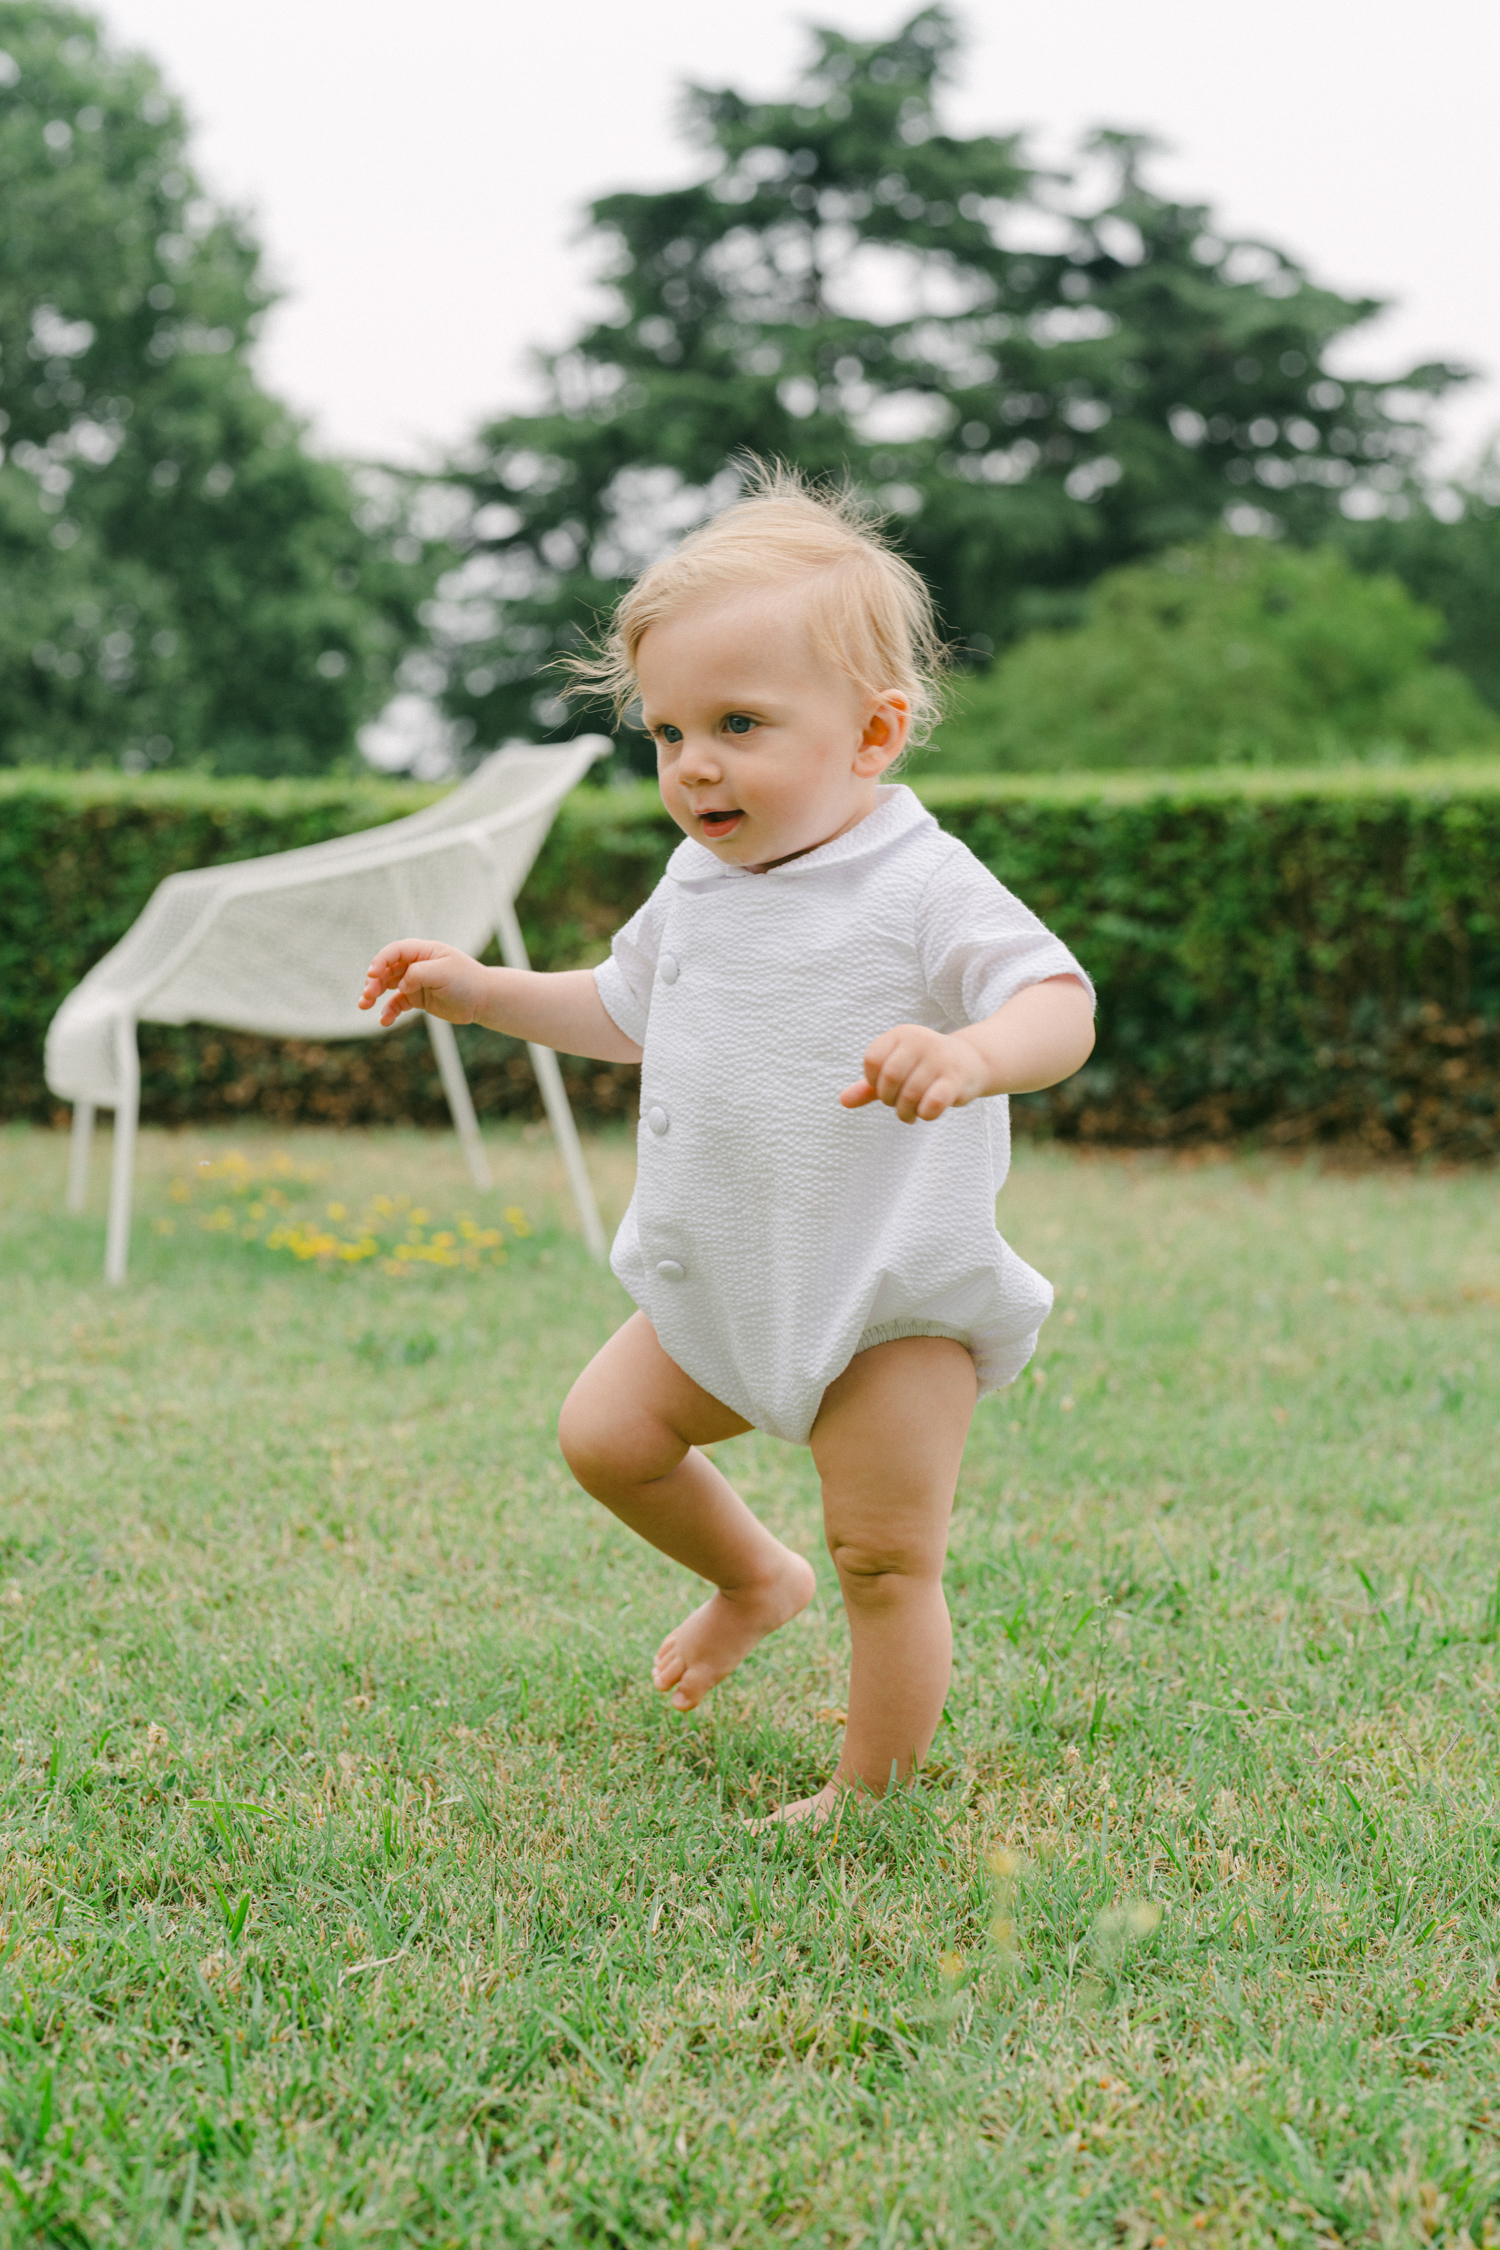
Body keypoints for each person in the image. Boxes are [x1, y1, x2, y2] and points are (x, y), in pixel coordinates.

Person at [358, 470, 1095, 1826]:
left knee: (885, 1555)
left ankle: (866, 1793)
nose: (694, 764)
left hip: (886, 1294)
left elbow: (1061, 1002)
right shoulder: (698, 879)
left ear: (873, 734)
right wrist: (480, 992)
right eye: (669, 731)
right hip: (727, 1274)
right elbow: (624, 1007)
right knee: (606, 1434)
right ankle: (753, 1579)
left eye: (740, 725)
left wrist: (972, 1052)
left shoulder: (922, 882)